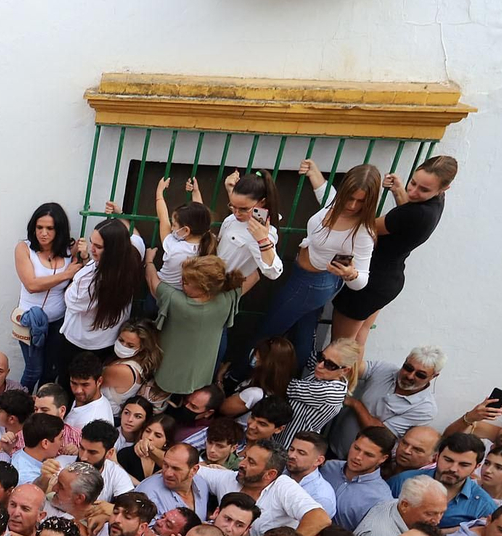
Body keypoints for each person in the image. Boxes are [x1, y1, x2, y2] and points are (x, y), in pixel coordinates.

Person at [249, 162, 381, 371]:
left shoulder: (363, 232)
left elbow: (361, 281)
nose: (352, 205)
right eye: (349, 197)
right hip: (306, 278)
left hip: (312, 284)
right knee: (303, 335)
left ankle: (236, 375)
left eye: (361, 201)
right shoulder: (335, 203)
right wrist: (313, 172)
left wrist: (351, 274)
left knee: (267, 332)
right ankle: (299, 379)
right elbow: (326, 195)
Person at [331, 155, 458, 345]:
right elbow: (404, 218)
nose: (413, 192)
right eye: (413, 183)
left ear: (444, 188)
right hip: (388, 280)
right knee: (357, 340)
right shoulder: (435, 202)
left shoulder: (415, 213)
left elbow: (366, 228)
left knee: (341, 346)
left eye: (423, 189)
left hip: (371, 281)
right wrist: (398, 191)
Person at [54, 219, 145, 382]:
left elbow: (70, 300)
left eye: (98, 246)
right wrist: (119, 215)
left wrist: (72, 282)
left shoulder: (93, 281)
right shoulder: (134, 255)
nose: (92, 249)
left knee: (71, 384)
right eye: (92, 242)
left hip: (81, 343)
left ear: (113, 249)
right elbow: (137, 237)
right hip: (107, 340)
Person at [148, 254, 245, 396]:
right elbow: (254, 277)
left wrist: (149, 261)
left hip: (168, 376)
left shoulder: (175, 300)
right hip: (202, 377)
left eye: (186, 282)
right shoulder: (227, 298)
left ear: (203, 287)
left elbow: (152, 281)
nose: (181, 283)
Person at [11, 202, 80, 389]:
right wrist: (65, 274)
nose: (43, 233)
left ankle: (43, 403)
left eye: (50, 228)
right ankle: (19, 401)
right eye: (39, 227)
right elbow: (31, 285)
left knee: (50, 370)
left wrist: (84, 253)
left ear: (59, 229)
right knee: (34, 369)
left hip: (58, 321)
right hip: (31, 320)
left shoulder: (69, 250)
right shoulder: (24, 248)